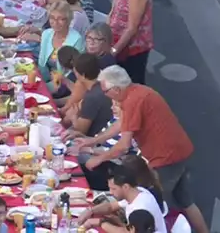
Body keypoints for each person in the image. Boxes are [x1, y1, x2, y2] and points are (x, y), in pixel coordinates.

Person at [83, 66, 209, 233]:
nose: (104, 94)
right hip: (177, 152)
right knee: (185, 200)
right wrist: (94, 140)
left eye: (105, 91)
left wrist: (100, 158)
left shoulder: (132, 101)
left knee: (155, 207)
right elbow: (122, 124)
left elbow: (124, 144)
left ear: (116, 89)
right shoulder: (137, 92)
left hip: (164, 157)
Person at [77, 165, 166, 233]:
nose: (111, 192)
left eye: (114, 188)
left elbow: (125, 232)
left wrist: (100, 222)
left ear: (125, 187)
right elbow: (111, 206)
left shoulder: (140, 207)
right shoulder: (136, 191)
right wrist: (90, 211)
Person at [20, 1, 84, 92]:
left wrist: (45, 84)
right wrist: (41, 80)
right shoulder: (47, 34)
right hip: (46, 76)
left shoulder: (76, 39)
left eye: (60, 19)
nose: (55, 22)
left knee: (36, 91)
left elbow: (72, 73)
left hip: (64, 82)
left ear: (68, 20)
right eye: (52, 18)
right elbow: (42, 63)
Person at [61, 22, 117, 114]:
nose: (91, 42)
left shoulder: (106, 62)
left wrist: (65, 82)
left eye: (97, 39)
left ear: (106, 41)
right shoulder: (88, 56)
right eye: (89, 38)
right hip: (72, 102)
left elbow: (83, 93)